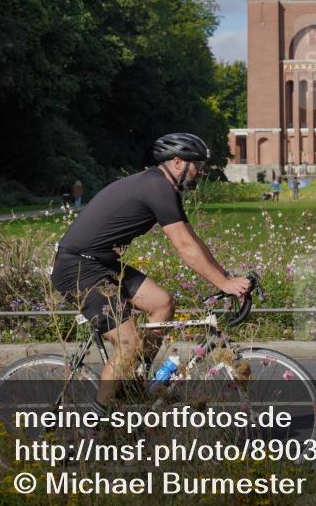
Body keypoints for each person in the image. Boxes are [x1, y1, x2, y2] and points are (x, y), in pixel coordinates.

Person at [49, 133, 251, 431]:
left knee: (163, 303)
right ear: (178, 162)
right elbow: (183, 247)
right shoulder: (157, 186)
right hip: (77, 268)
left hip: (101, 265)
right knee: (127, 343)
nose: (202, 171)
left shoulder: (162, 186)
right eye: (198, 165)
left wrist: (226, 277)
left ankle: (131, 386)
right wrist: (223, 283)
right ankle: (94, 429)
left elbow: (192, 239)